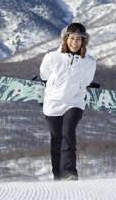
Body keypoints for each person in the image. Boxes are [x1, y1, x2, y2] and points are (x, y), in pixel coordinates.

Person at [39, 22, 96, 181]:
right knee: (56, 138)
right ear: (65, 39)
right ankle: (58, 175)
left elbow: (86, 81)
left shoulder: (89, 62)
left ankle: (69, 173)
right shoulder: (52, 57)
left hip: (75, 102)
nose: (75, 42)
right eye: (72, 38)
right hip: (53, 104)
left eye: (79, 39)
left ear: (83, 41)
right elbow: (44, 75)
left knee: (68, 133)